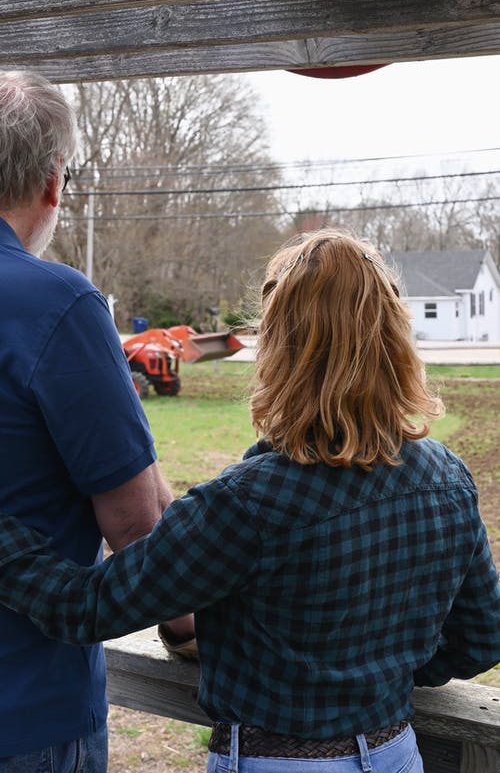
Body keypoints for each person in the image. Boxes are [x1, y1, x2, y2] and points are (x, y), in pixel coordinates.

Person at [0, 228, 499, 773]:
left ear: (280, 347)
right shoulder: (448, 477)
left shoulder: (251, 501)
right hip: (395, 755)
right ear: (394, 339)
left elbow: (85, 606)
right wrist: (384, 671)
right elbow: (480, 639)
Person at [0, 70, 193, 773]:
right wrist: (192, 633)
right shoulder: (58, 304)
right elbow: (138, 525)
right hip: (26, 711)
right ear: (53, 182)